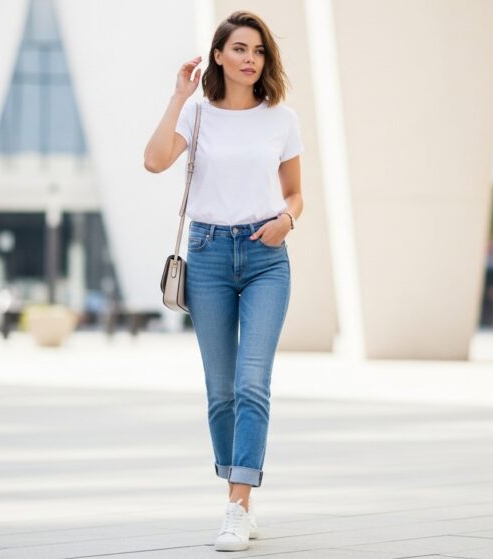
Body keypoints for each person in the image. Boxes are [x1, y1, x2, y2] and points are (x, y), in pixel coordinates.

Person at [143, 10, 303, 552]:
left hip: (265, 257)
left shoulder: (281, 118)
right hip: (208, 256)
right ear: (218, 55)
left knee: (252, 383)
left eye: (258, 51)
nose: (250, 58)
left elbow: (295, 192)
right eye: (239, 49)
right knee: (221, 392)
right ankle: (238, 498)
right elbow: (153, 161)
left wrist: (287, 221)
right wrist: (177, 97)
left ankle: (237, 506)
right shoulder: (197, 112)